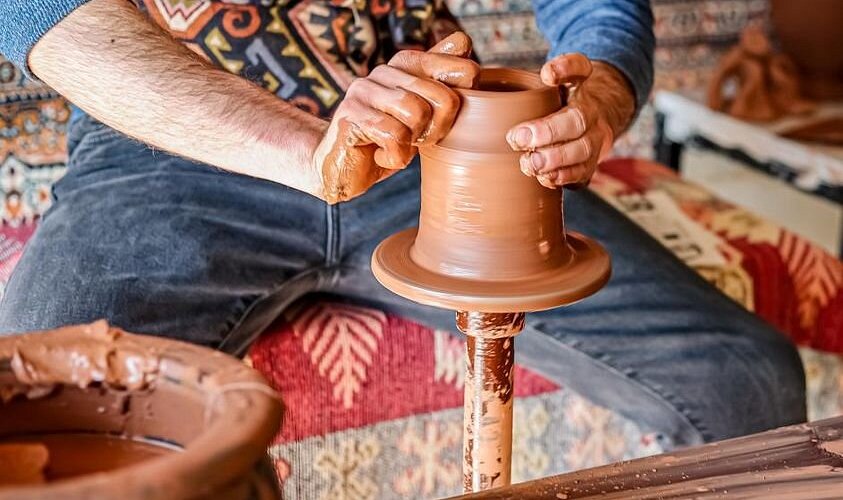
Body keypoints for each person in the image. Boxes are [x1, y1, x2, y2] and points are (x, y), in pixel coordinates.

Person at [0, 0, 805, 447]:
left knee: (743, 376)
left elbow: (593, 8)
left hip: (431, 135)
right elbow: (37, 12)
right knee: (34, 417)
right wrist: (307, 148)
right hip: (170, 147)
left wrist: (601, 91)